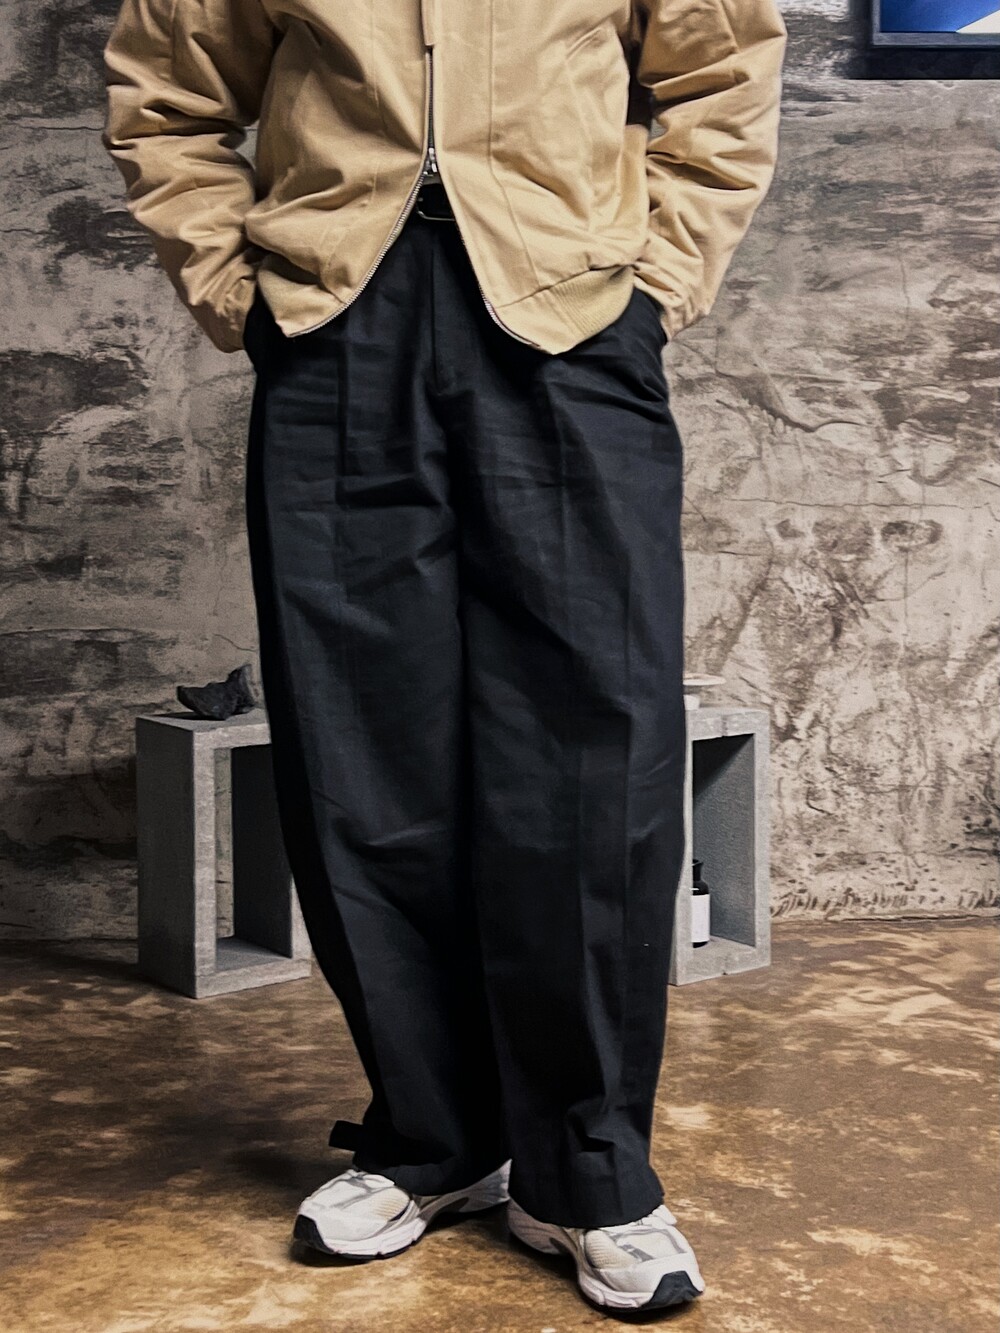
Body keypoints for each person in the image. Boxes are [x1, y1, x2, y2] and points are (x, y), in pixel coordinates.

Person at [102, 0, 786, 1315]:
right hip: (334, 323)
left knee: (595, 749)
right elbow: (164, 93)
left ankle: (588, 1170)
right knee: (360, 748)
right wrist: (242, 291)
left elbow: (723, 71)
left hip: (573, 316)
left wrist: (657, 283)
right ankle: (434, 1137)